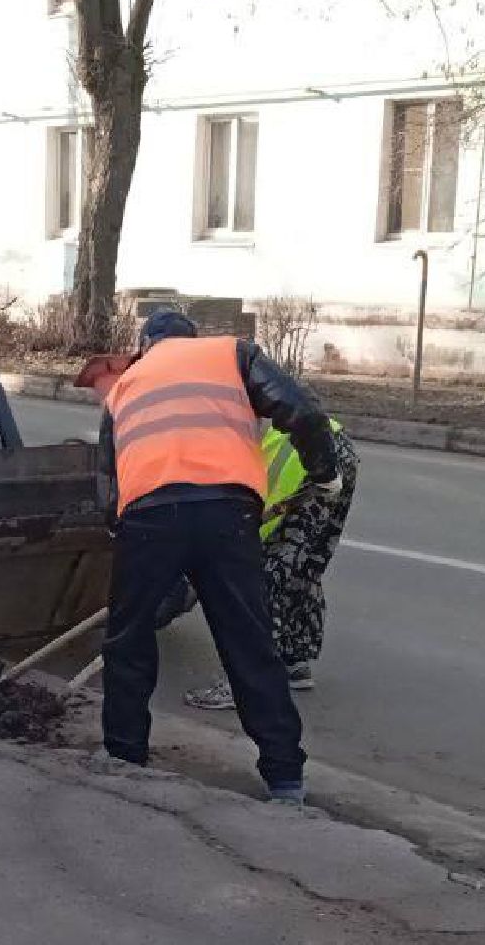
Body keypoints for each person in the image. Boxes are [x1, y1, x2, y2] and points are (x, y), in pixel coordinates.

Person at [97, 310, 341, 806]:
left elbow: (107, 476)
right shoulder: (231, 354)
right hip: (227, 516)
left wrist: (119, 528)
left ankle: (123, 761)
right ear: (193, 339)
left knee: (129, 640)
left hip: (149, 519)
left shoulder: (125, 385)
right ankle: (285, 777)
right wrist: (324, 471)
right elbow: (305, 413)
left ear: (147, 345)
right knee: (248, 642)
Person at [182, 422, 360, 710]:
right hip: (333, 445)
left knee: (264, 573)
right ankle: (293, 659)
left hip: (302, 459)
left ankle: (243, 684)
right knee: (301, 564)